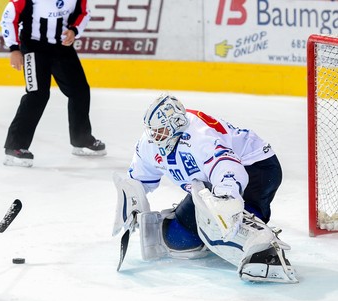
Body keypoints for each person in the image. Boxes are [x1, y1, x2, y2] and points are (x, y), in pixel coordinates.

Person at [112, 93, 298, 283]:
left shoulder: (200, 136)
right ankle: (215, 230)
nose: (155, 137)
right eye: (153, 131)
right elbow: (139, 179)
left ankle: (265, 250)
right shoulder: (150, 143)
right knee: (176, 239)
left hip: (256, 169)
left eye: (160, 131)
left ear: (176, 124)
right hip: (210, 181)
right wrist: (132, 204)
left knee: (222, 222)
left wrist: (225, 203)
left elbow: (229, 169)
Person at [0, 0, 106, 167]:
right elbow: (9, 17)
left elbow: (84, 13)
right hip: (33, 47)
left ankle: (81, 138)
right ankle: (15, 147)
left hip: (61, 48)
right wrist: (14, 48)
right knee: (37, 95)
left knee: (80, 90)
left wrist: (74, 30)